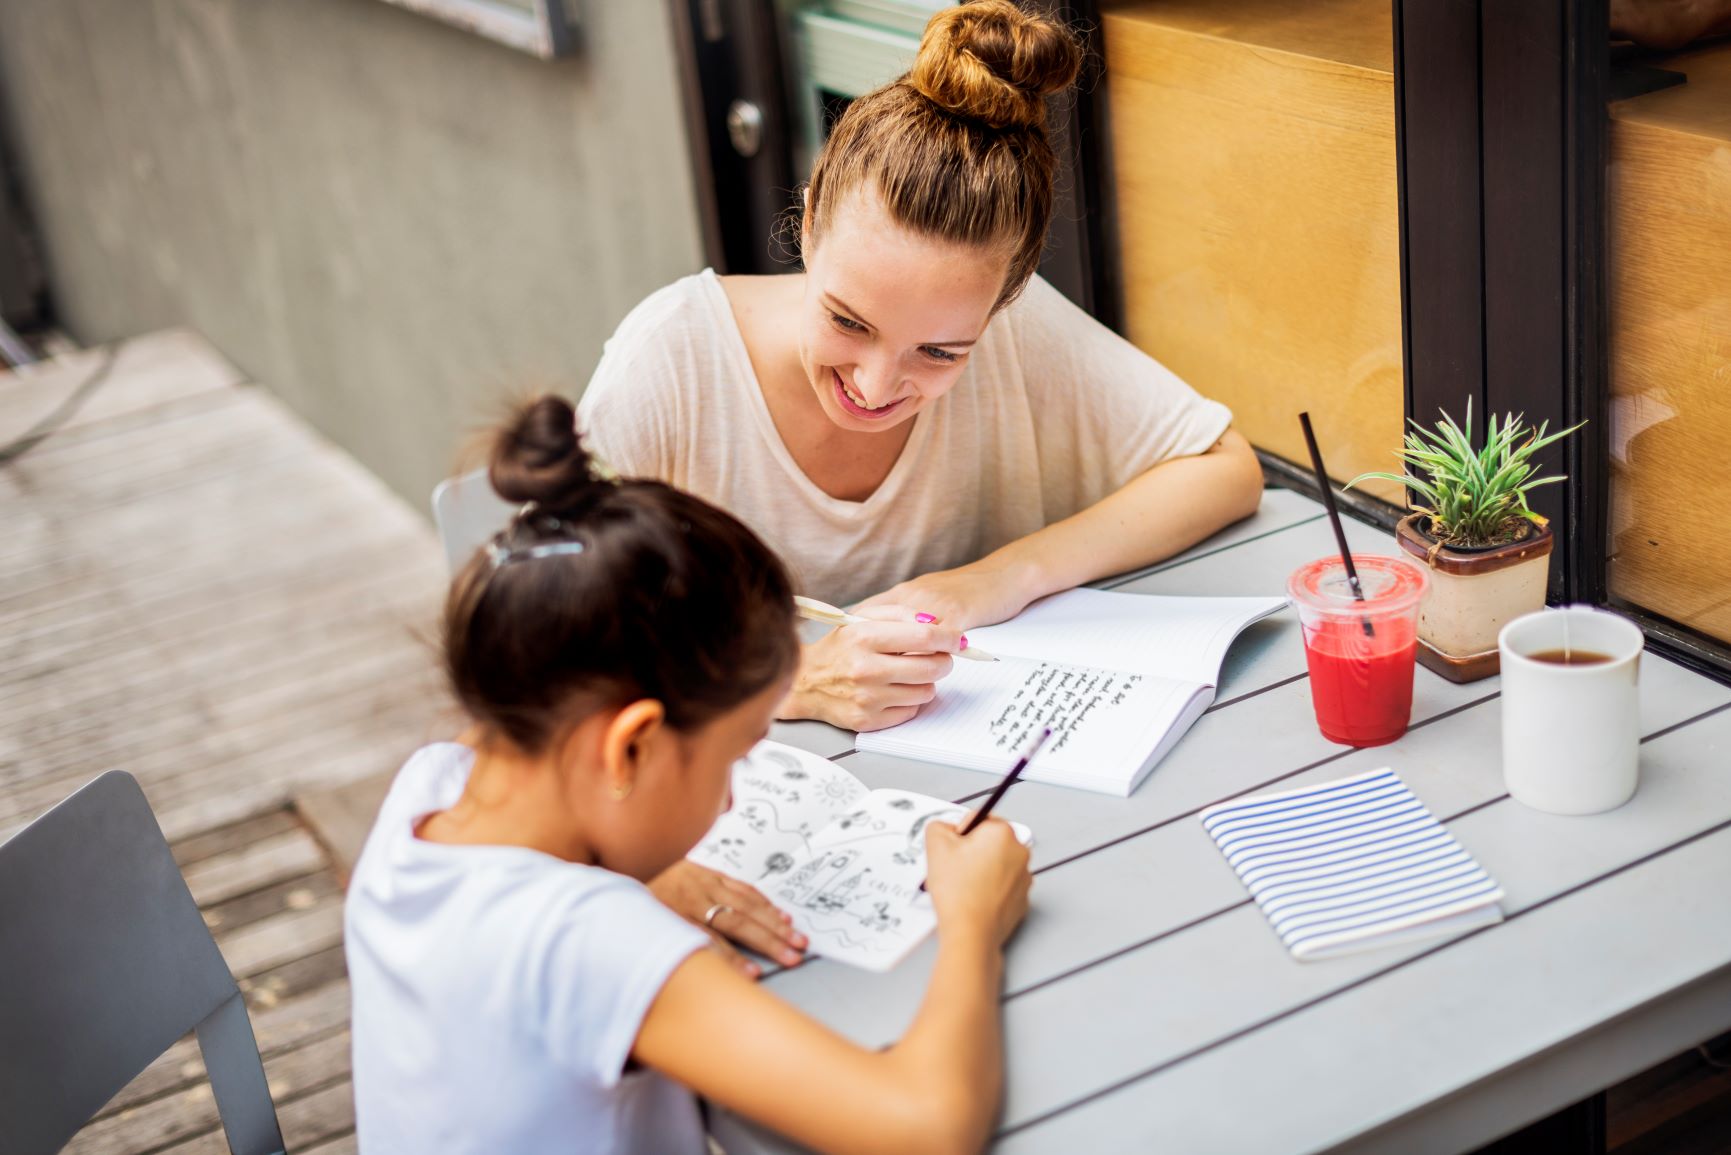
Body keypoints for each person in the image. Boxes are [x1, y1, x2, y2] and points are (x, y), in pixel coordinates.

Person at [345, 395, 1033, 1154]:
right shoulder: (588, 939)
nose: (735, 795)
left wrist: (640, 872)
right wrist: (974, 922)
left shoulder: (431, 782)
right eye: (735, 753)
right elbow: (924, 1130)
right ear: (629, 747)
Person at [578, 0, 1265, 734]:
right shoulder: (674, 361)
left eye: (939, 352)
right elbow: (545, 637)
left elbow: (1223, 466)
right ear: (809, 222)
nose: (874, 387)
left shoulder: (1018, 329)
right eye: (848, 321)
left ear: (1005, 299)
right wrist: (796, 681)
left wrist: (996, 579)